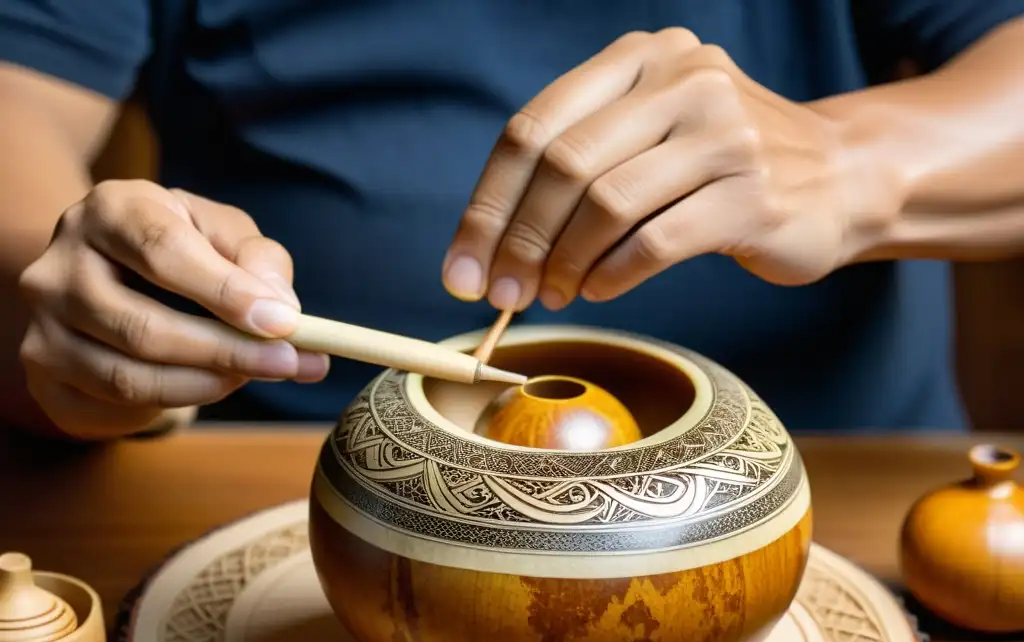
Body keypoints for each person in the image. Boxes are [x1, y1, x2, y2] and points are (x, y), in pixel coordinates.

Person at [0, 2, 1022, 442]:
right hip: (276, 501)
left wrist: (852, 164)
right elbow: (21, 100)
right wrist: (89, 296)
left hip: (832, 496)